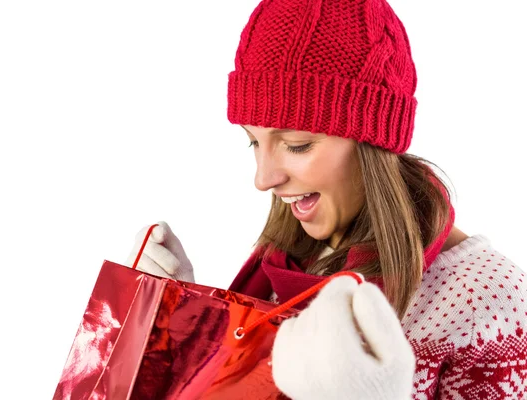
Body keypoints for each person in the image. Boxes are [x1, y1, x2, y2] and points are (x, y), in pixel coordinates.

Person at [125, 0, 527, 398]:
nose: (263, 179)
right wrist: (178, 325)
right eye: (253, 142)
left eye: (297, 145)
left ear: (374, 142)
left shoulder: (486, 299)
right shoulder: (283, 261)